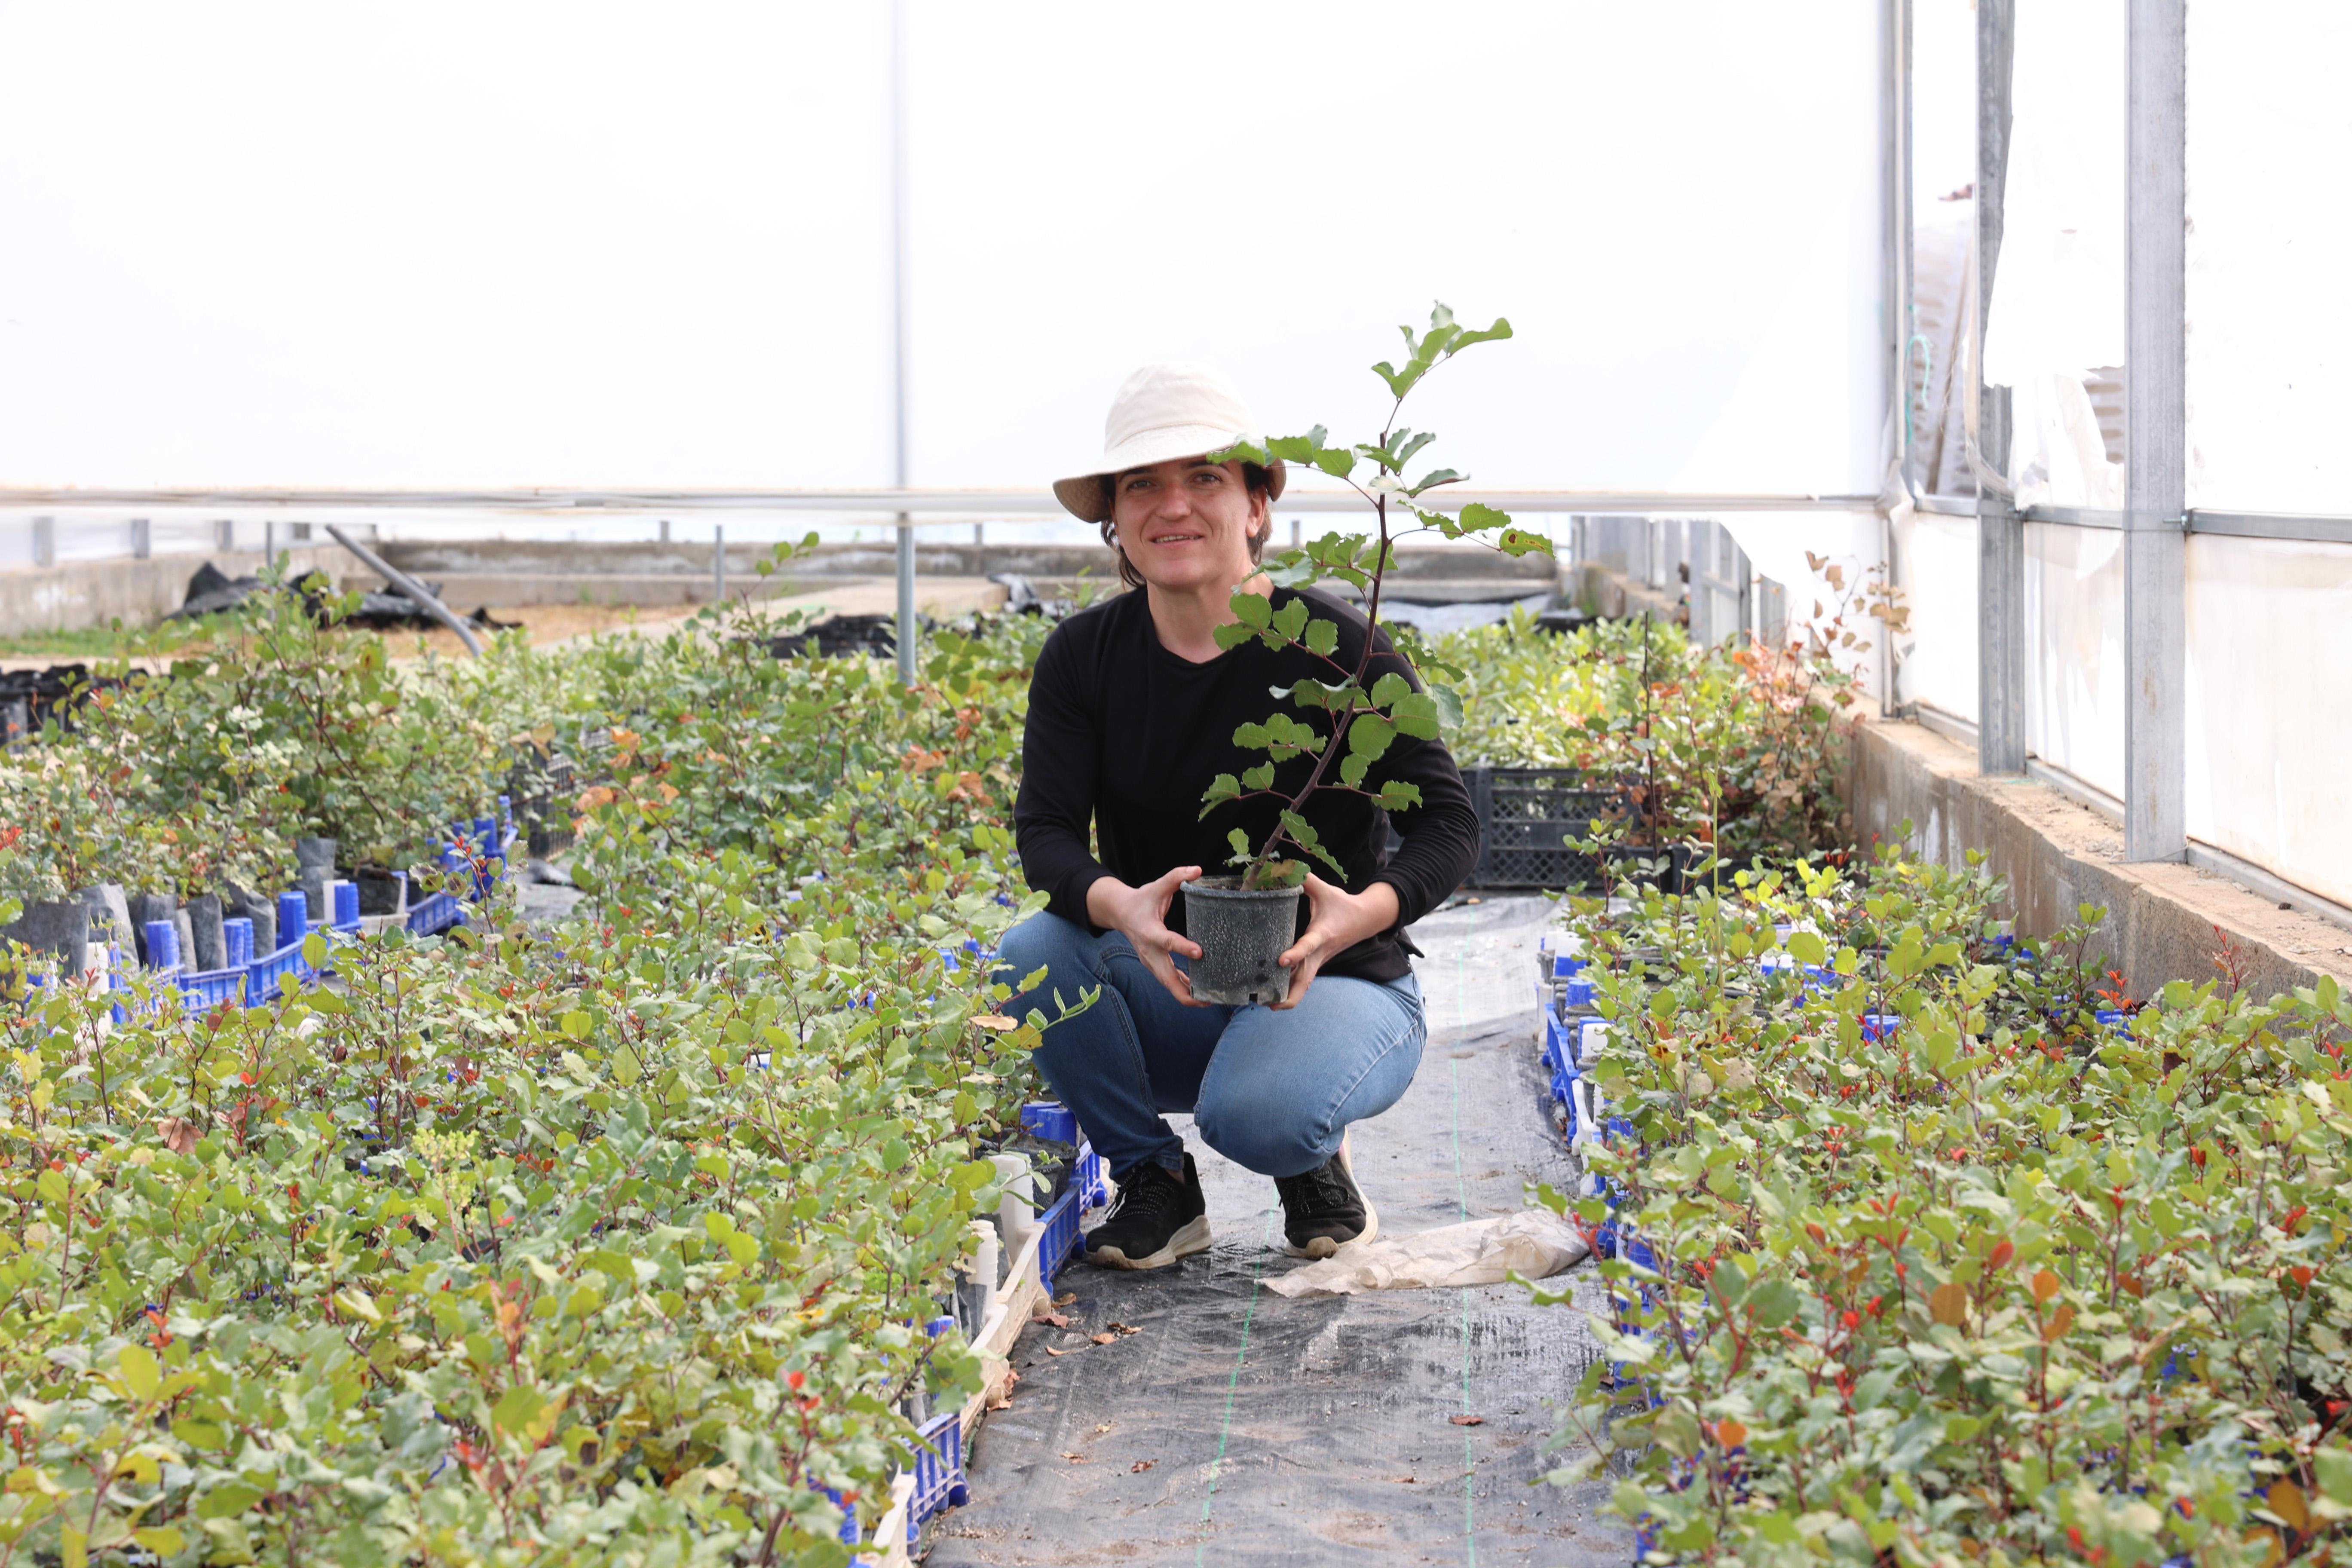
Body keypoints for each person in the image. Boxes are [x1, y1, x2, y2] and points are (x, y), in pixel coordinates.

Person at [1001, 361, 1480, 1269]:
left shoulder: (1340, 647)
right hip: (1173, 977)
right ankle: (1156, 1181)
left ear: (1258, 506)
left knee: (1258, 1116)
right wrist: (1121, 907)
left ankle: (1307, 1157)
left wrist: (1359, 916)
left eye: (1206, 479)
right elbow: (1047, 834)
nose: (1172, 507)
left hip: (1335, 978)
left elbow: (1449, 825)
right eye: (1143, 483)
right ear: (1115, 516)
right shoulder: (1084, 658)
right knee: (1032, 954)